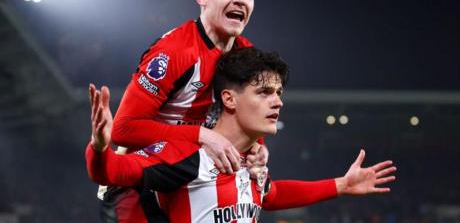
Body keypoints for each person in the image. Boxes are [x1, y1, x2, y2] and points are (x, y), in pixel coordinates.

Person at [86, 47, 397, 223]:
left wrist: (341, 185)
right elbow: (112, 171)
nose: (278, 101)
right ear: (229, 99)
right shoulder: (188, 154)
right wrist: (99, 146)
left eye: (278, 92)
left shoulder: (251, 163)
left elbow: (271, 195)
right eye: (264, 92)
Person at [90, 0, 268, 221]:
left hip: (192, 184)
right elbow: (123, 130)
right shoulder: (173, 52)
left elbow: (246, 116)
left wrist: (258, 148)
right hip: (139, 188)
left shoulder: (247, 53)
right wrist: (201, 135)